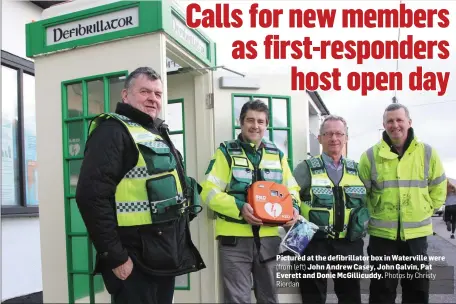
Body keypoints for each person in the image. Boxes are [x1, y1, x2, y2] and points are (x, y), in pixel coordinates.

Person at [75, 67, 205, 304]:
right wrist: (115, 256)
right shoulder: (113, 131)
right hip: (134, 259)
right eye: (144, 91)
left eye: (157, 94)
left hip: (161, 255)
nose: (152, 99)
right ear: (125, 95)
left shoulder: (153, 131)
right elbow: (90, 196)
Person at [200, 100, 301, 303]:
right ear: (241, 122)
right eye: (250, 120)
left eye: (261, 121)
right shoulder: (225, 152)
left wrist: (294, 209)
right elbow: (208, 191)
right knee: (237, 299)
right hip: (234, 241)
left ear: (266, 125)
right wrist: (239, 208)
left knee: (270, 298)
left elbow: (292, 190)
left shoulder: (277, 155)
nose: (255, 125)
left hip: (270, 240)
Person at [359, 103, 447, 304]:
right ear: (384, 125)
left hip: (416, 236)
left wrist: (426, 208)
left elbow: (439, 186)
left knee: (417, 290)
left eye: (399, 120)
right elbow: (362, 195)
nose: (395, 125)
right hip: (382, 236)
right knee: (382, 290)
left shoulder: (427, 153)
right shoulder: (370, 156)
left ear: (409, 122)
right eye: (390, 121)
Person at [293, 115, 369, 304]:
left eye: (338, 133)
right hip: (312, 242)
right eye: (328, 134)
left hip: (349, 242)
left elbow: (371, 200)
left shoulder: (358, 170)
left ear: (346, 138)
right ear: (319, 138)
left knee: (351, 296)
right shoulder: (305, 168)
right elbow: (289, 196)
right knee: (313, 297)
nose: (334, 138)